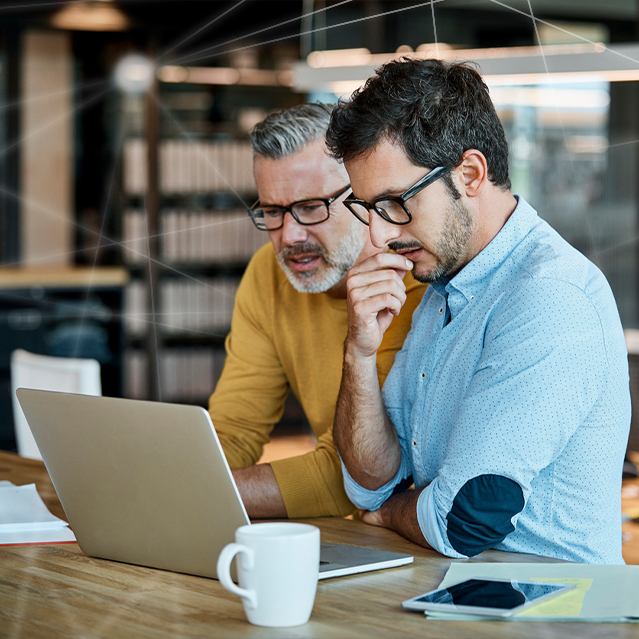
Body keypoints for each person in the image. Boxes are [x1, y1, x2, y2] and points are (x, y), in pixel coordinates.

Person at [326, 58, 631, 563]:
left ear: (470, 173)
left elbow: (465, 520)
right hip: (456, 596)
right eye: (368, 209)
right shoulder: (443, 286)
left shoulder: (549, 296)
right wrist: (358, 355)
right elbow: (372, 484)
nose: (379, 236)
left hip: (551, 612)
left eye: (396, 203)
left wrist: (390, 515)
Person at [209, 103, 426, 520]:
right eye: (272, 211)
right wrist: (165, 479)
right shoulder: (267, 275)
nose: (289, 236)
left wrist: (199, 492)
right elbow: (233, 431)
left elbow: (355, 476)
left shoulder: (415, 284)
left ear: (363, 196)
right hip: (360, 537)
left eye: (311, 207)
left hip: (436, 547)